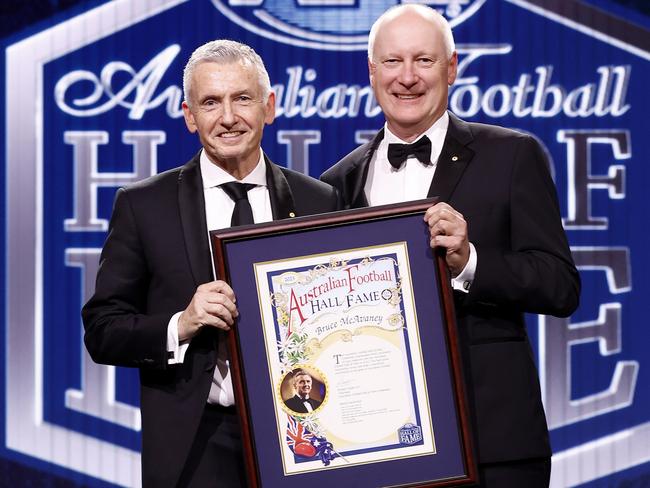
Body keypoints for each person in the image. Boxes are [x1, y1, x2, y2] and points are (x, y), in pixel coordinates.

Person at [320, 5, 580, 487]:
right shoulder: (337, 182)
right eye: (393, 62)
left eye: (424, 60)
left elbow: (560, 286)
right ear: (372, 71)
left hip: (493, 442)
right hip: (380, 445)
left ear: (452, 67)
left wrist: (470, 263)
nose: (408, 78)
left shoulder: (511, 155)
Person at [82, 40, 339, 488]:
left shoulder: (319, 200)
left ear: (269, 106)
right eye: (210, 102)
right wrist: (181, 323)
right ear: (189, 115)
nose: (227, 117)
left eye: (242, 98)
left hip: (303, 435)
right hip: (198, 439)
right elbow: (102, 330)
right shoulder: (144, 206)